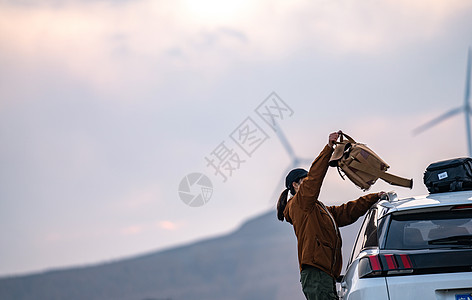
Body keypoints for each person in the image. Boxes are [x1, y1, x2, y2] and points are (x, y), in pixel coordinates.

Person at [276, 131, 385, 300]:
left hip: (325, 275)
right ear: (295, 186)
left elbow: (345, 212)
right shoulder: (299, 204)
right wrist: (328, 149)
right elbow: (315, 177)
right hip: (316, 274)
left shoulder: (316, 209)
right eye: (304, 182)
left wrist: (371, 198)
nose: (309, 183)